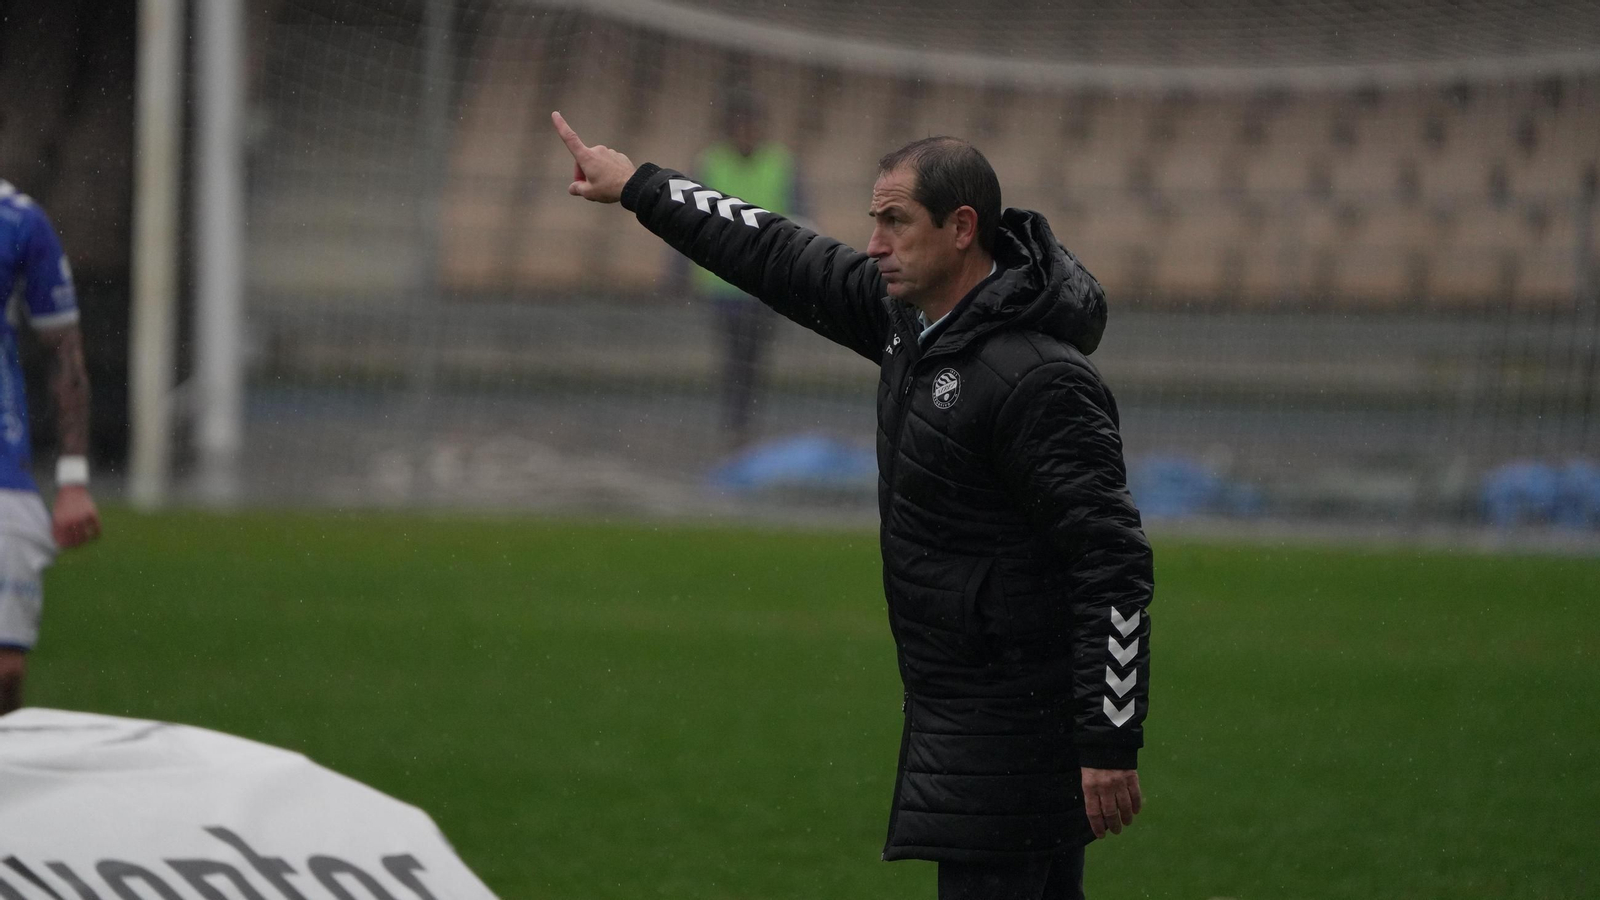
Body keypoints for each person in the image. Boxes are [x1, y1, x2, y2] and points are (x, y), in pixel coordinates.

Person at [552, 111, 1153, 900]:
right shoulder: (910, 325)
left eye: (895, 222)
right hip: (968, 715)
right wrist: (639, 186)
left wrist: (1109, 738)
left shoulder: (1038, 378)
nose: (875, 244)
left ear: (962, 227)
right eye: (875, 222)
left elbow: (1111, 560)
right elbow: (776, 250)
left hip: (1012, 724)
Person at [0, 178, 102, 714]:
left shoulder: (19, 221)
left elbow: (64, 353)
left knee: (5, 669)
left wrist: (73, 480)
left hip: (2, 464)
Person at [687, 93, 803, 448]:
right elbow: (687, 215)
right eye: (740, 126)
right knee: (733, 357)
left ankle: (746, 425)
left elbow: (801, 219)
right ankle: (734, 425)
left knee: (755, 359)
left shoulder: (781, 164)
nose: (747, 133)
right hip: (723, 283)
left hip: (767, 283)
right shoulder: (711, 163)